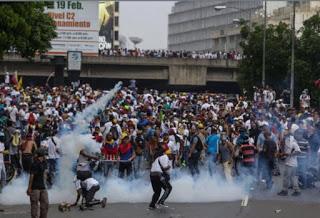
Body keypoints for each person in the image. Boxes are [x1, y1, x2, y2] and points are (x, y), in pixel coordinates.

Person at [278, 129, 302, 196]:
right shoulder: (287, 142)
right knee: (292, 177)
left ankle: (284, 191)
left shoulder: (293, 142)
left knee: (286, 177)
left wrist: (290, 155)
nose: (284, 137)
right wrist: (283, 154)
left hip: (291, 163)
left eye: (285, 135)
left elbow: (298, 151)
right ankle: (297, 191)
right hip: (291, 163)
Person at [27, 148, 49, 218]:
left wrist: (45, 184)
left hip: (43, 187)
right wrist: (29, 188)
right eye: (45, 154)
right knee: (34, 206)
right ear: (42, 155)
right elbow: (31, 176)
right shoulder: (35, 164)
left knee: (45, 204)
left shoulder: (44, 162)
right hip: (35, 188)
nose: (46, 156)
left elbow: (45, 174)